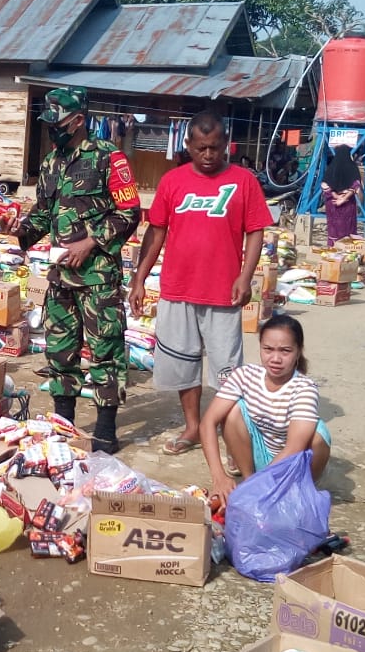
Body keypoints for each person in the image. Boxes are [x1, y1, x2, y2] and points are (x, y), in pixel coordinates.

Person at [131, 110, 271, 456]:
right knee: (184, 365)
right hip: (178, 289)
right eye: (201, 148)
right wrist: (139, 279)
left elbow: (256, 231)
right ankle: (193, 427)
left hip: (223, 292)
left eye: (215, 148)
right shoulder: (172, 182)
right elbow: (157, 231)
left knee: (228, 370)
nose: (208, 156)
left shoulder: (243, 181)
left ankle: (231, 435)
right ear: (188, 145)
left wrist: (245, 275)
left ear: (226, 145)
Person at [13, 87, 141, 453]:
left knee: (105, 351)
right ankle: (64, 428)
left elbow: (129, 212)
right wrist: (19, 230)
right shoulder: (52, 163)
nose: (52, 130)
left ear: (78, 120)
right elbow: (42, 213)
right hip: (60, 277)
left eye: (58, 123)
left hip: (97, 276)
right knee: (60, 350)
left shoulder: (107, 157)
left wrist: (91, 243)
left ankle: (104, 433)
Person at [200, 315, 332, 505]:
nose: (276, 359)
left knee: (318, 435)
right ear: (260, 347)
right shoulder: (244, 375)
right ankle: (248, 477)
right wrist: (218, 476)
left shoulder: (304, 388)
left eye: (285, 351)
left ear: (298, 352)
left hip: (291, 462)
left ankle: (296, 488)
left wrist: (255, 488)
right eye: (268, 349)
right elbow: (207, 423)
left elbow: (294, 447)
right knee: (232, 411)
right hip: (259, 455)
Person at [321, 144, 362, 245]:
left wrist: (335, 196)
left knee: (334, 228)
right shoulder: (353, 167)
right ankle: (346, 249)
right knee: (348, 227)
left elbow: (324, 185)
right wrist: (344, 198)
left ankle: (333, 248)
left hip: (333, 204)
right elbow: (356, 185)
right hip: (348, 204)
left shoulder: (332, 167)